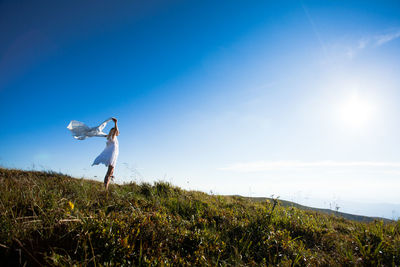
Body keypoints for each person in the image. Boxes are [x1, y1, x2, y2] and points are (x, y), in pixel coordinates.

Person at [92, 117, 119, 190]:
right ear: (113, 132)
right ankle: (105, 189)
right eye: (115, 131)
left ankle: (106, 187)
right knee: (109, 172)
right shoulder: (112, 137)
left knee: (111, 172)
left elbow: (117, 132)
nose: (117, 132)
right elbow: (116, 131)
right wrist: (115, 123)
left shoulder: (110, 137)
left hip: (113, 155)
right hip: (112, 155)